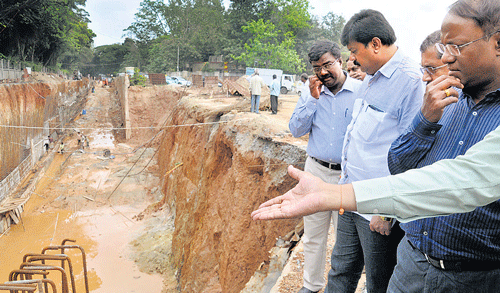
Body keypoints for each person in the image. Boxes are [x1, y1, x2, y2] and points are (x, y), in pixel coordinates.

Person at [386, 0, 500, 291]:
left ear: (498, 44)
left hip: (474, 279)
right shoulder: (443, 101)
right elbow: (398, 167)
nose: (446, 58)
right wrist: (424, 120)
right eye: (444, 47)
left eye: (457, 47)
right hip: (411, 265)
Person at [327, 9, 425, 293]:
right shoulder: (371, 77)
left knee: (378, 282)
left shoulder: (410, 82)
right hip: (351, 195)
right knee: (340, 271)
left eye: (355, 51)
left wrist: (388, 210)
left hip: (379, 206)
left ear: (375, 44)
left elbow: (414, 150)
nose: (352, 60)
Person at [250, 122, 500, 222]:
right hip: (414, 256)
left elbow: (467, 179)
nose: (447, 57)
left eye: (457, 45)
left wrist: (336, 196)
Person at [289, 40, 362, 293]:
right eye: (316, 67)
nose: (323, 72)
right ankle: (311, 285)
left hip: (346, 175)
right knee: (313, 235)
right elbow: (296, 130)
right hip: (315, 172)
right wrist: (311, 99)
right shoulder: (310, 92)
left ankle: (341, 287)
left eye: (328, 64)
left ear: (340, 61)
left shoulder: (361, 92)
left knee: (345, 241)